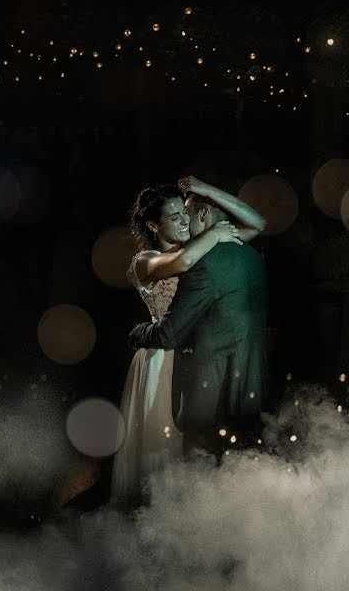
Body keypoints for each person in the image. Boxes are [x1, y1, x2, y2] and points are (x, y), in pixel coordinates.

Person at [110, 178, 266, 507]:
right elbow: (181, 264)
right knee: (159, 446)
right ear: (153, 224)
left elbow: (256, 223)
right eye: (174, 216)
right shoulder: (145, 262)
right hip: (162, 357)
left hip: (197, 358)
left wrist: (206, 190)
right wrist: (214, 233)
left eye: (186, 213)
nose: (184, 221)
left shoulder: (201, 245)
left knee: (191, 447)